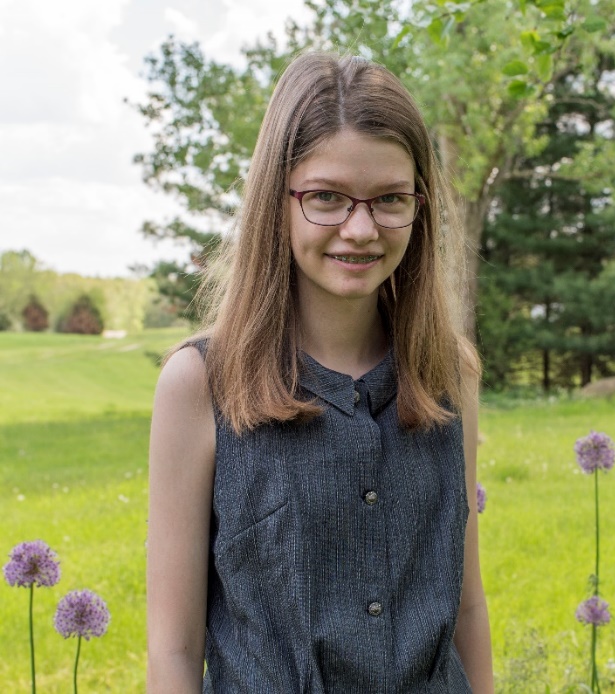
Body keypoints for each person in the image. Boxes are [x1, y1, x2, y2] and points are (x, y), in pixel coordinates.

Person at [147, 51, 494, 693]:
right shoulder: (198, 386)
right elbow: (173, 647)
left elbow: (465, 604)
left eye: (390, 199)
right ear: (275, 201)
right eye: (326, 197)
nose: (360, 230)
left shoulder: (450, 376)